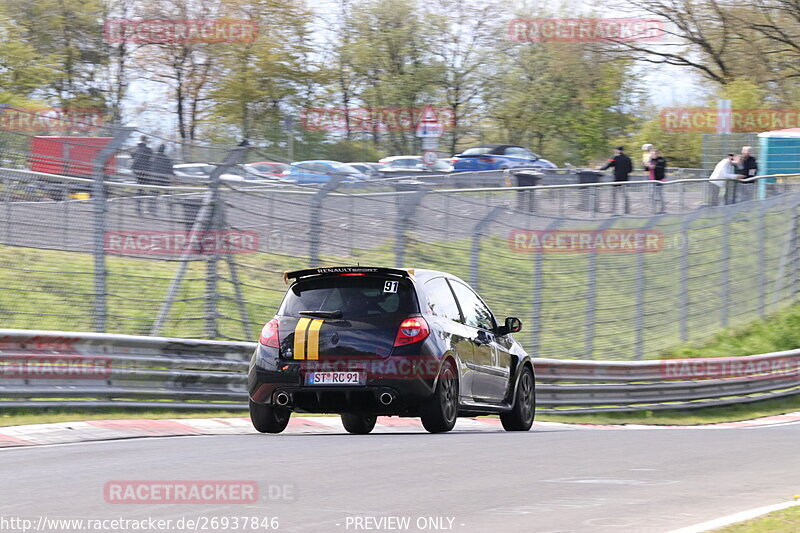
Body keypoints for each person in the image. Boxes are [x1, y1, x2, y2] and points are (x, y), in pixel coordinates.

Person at [599, 146, 633, 214]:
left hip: (617, 179)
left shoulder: (614, 157)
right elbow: (631, 169)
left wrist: (600, 168)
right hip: (625, 178)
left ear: (618, 151)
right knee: (624, 194)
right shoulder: (628, 158)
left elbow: (607, 165)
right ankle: (627, 209)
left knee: (614, 194)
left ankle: (613, 209)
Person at [131, 136, 153, 216]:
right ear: (146, 140)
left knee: (140, 189)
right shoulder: (148, 150)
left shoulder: (137, 149)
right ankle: (150, 208)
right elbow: (151, 156)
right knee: (150, 188)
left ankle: (138, 207)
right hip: (145, 171)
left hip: (137, 171)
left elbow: (132, 155)